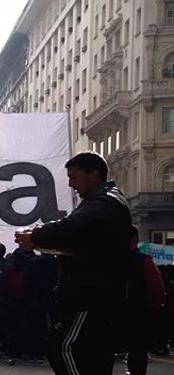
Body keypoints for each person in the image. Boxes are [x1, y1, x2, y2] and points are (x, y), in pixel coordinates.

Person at [15, 152, 133, 374]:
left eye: (75, 177)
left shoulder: (105, 203)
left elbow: (70, 227)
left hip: (89, 296)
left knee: (63, 348)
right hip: (93, 293)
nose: (70, 184)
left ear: (94, 175)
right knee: (92, 355)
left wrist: (35, 236)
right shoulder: (102, 201)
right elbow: (78, 239)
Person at [124, 226, 166, 375]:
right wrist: (157, 305)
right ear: (135, 240)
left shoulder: (110, 261)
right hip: (138, 310)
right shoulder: (143, 260)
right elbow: (157, 287)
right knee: (138, 349)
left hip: (114, 311)